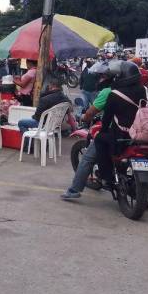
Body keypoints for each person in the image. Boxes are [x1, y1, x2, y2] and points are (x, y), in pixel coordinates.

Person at [95, 61, 148, 188]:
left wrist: (103, 130)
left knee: (99, 139)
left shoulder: (114, 95)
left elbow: (106, 119)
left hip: (123, 137)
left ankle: (107, 177)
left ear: (120, 77)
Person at [61, 61, 116, 200]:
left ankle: (74, 190)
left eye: (102, 77)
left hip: (113, 132)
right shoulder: (143, 90)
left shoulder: (107, 92)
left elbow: (91, 112)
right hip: (138, 134)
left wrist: (84, 118)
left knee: (87, 159)